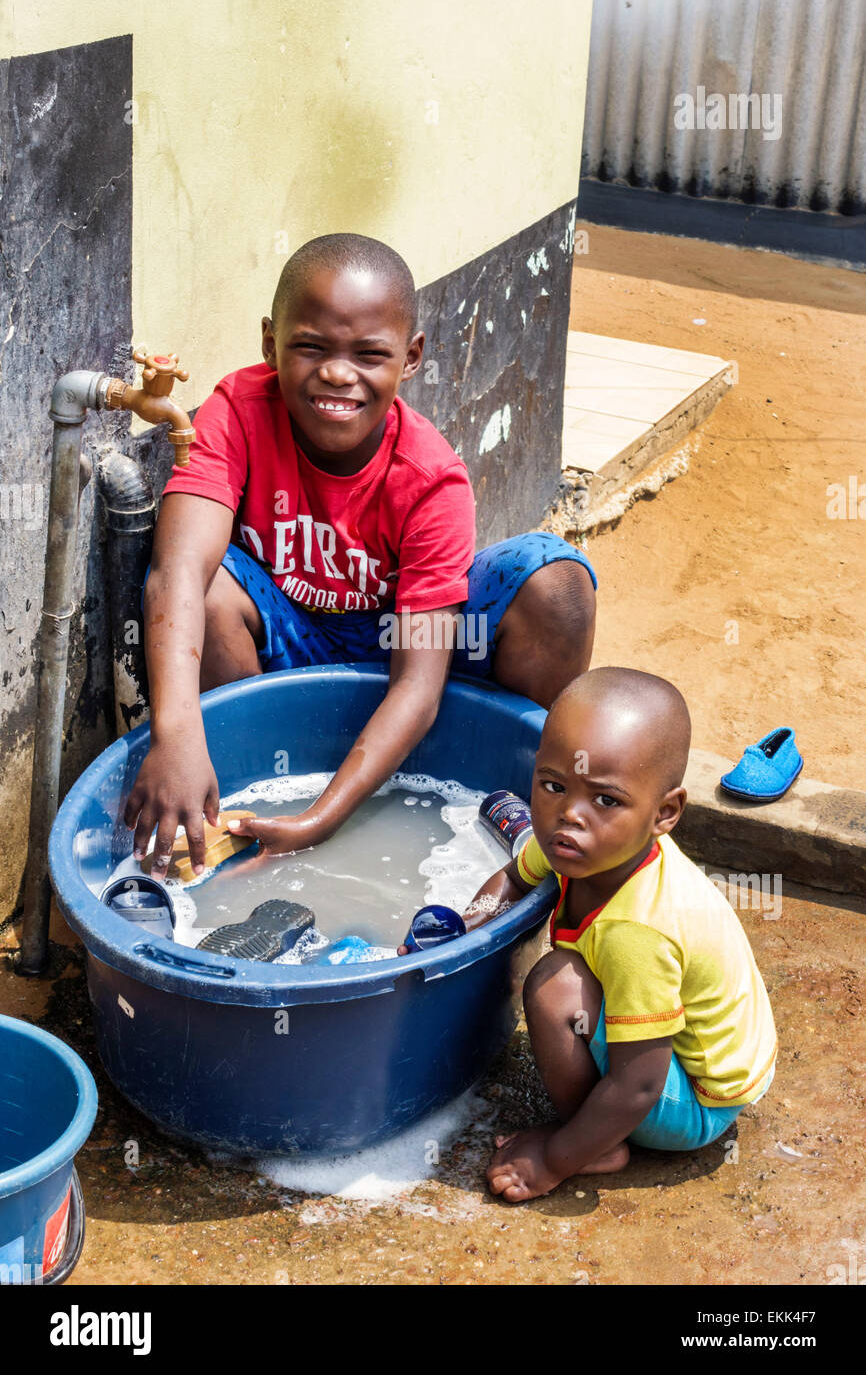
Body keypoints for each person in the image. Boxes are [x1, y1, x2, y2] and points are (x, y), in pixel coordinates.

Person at [124, 233, 597, 878]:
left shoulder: (431, 480)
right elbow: (174, 569)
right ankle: (242, 787)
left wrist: (322, 819)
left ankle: (514, 784)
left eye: (370, 354)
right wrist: (175, 733)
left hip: (406, 640)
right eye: (311, 346)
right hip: (288, 632)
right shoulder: (237, 411)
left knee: (556, 585)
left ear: (411, 357)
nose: (337, 373)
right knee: (203, 591)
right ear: (270, 342)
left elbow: (418, 685)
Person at [461, 666, 777, 1203]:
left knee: (553, 987)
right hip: (696, 1059)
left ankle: (596, 1146)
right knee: (573, 978)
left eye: (606, 800)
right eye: (553, 785)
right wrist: (461, 928)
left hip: (696, 1100)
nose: (570, 815)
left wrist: (556, 1158)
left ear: (665, 813)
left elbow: (639, 1084)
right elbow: (513, 878)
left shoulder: (639, 930)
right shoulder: (583, 845)